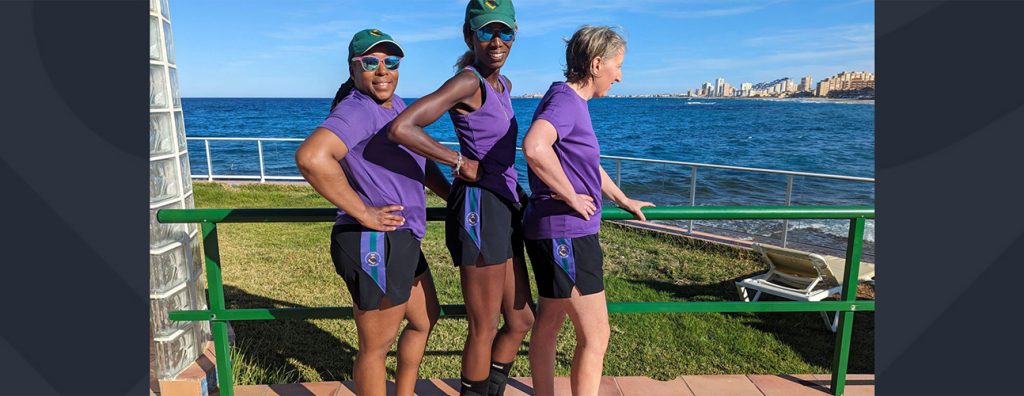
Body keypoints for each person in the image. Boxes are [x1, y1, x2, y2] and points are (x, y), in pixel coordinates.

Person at [387, 1, 534, 394]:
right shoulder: (468, 82)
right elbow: (402, 127)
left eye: (505, 32)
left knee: (521, 321)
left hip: (503, 205)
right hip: (480, 208)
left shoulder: (503, 84)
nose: (497, 41)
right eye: (487, 32)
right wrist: (457, 159)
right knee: (483, 324)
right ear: (471, 36)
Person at [294, 28, 450, 396]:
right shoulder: (358, 109)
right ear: (353, 69)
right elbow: (312, 157)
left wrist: (452, 194)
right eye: (371, 62)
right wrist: (364, 211)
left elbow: (418, 162)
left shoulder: (395, 106)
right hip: (373, 241)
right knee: (375, 348)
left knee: (425, 318)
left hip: (402, 237)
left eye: (391, 61)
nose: (382, 70)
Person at [521, 25, 655, 396]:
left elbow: (585, 164)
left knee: (548, 322)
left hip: (555, 231)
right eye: (618, 65)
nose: (620, 75)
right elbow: (534, 148)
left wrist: (622, 198)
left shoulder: (567, 100)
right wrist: (570, 196)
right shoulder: (566, 101)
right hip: (567, 233)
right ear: (597, 64)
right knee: (596, 335)